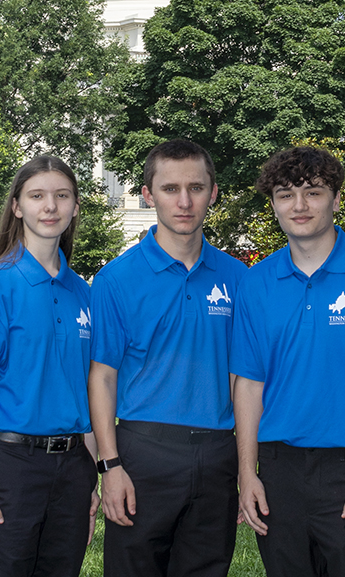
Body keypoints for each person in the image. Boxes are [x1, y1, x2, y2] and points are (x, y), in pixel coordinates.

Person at [231, 146, 345, 577]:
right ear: (272, 203)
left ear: (334, 198)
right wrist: (247, 472)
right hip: (278, 470)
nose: (299, 206)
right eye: (284, 194)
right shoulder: (256, 284)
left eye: (312, 192)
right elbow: (248, 385)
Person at [89, 139, 247, 576]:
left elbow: (247, 378)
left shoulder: (239, 278)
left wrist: (245, 466)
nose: (184, 201)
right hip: (143, 451)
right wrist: (111, 465)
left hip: (219, 451)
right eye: (170, 188)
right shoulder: (116, 279)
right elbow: (101, 378)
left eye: (196, 188)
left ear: (213, 193)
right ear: (147, 194)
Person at [0, 156, 98, 577]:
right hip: (10, 465)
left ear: (75, 207)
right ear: (17, 206)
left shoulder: (83, 293)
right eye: (37, 196)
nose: (50, 206)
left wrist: (91, 478)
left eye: (62, 196)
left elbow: (85, 391)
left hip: (73, 467)